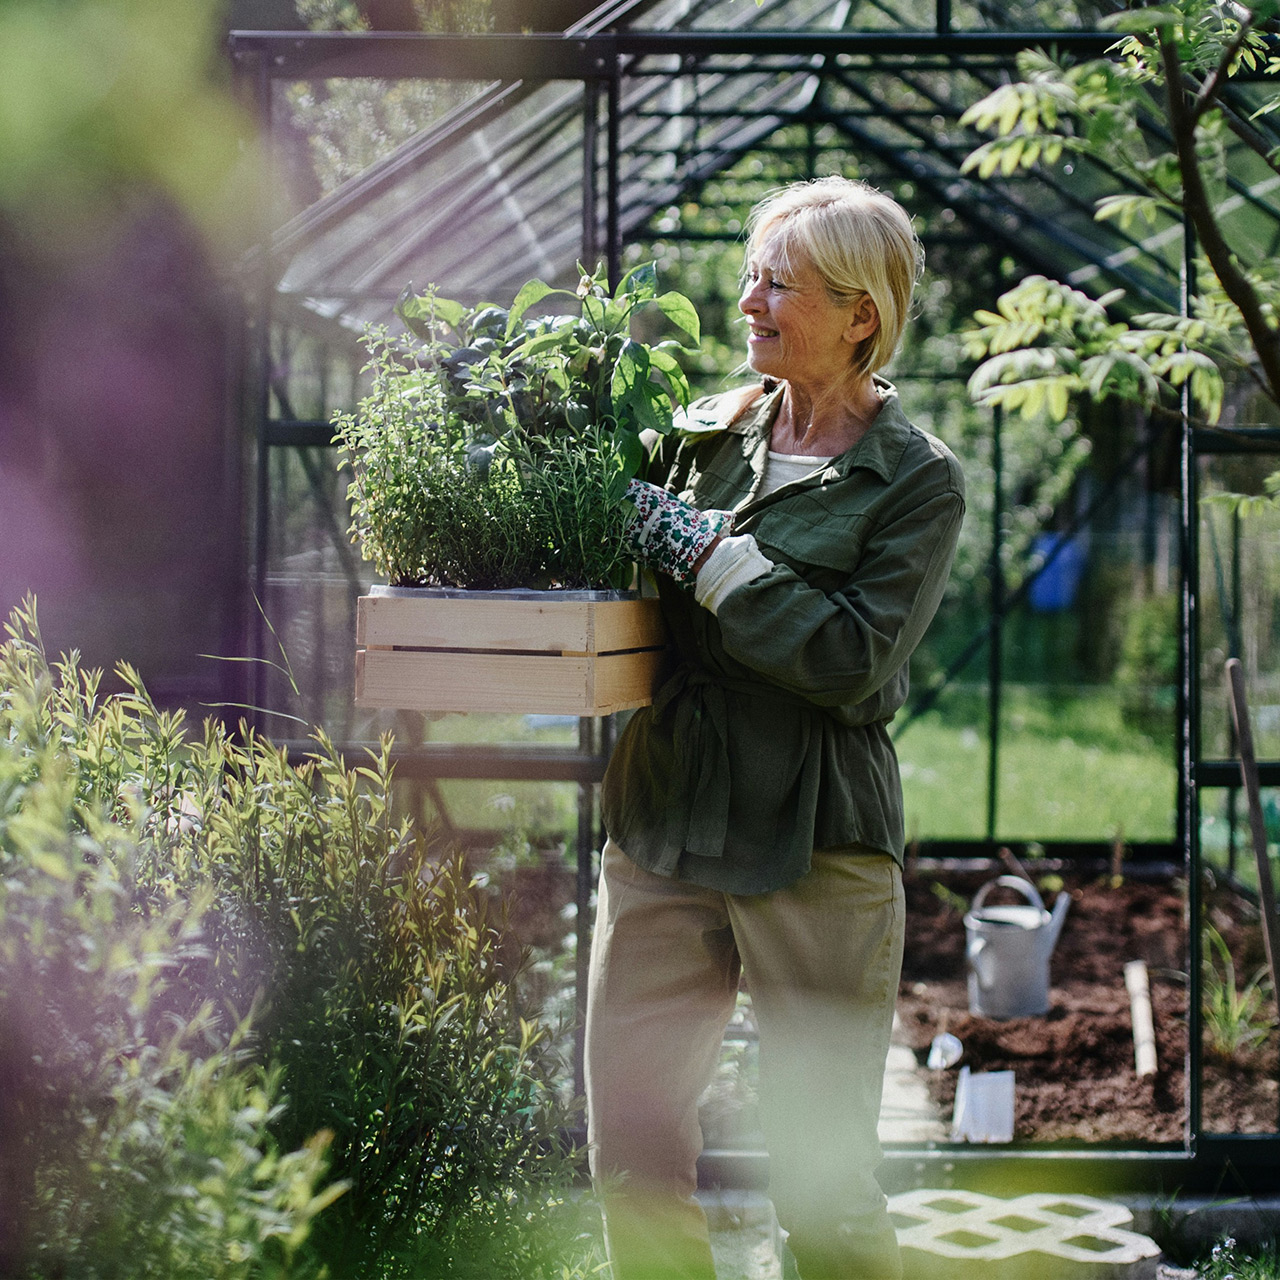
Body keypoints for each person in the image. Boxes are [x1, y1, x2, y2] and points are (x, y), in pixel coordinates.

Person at [586, 175, 965, 1280]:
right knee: (634, 1150)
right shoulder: (699, 435)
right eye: (749, 276)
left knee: (822, 1179)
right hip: (661, 825)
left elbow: (849, 659)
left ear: (861, 314)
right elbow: (615, 593)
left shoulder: (913, 480)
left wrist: (712, 557)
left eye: (779, 284)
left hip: (813, 841)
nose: (748, 301)